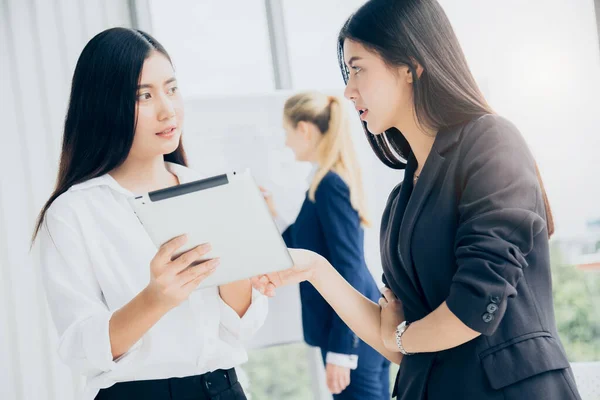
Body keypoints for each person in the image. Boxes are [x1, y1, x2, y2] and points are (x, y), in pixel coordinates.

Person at [252, 1, 582, 399]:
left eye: (357, 68)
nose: (347, 88)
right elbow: (394, 338)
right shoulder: (402, 198)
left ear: (410, 65)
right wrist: (315, 268)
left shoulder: (491, 141)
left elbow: (473, 308)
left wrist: (401, 338)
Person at [32, 27, 266, 400]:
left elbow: (239, 327)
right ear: (105, 105)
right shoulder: (73, 213)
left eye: (172, 89)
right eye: (144, 95)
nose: (167, 109)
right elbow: (80, 348)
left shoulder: (211, 190)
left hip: (225, 389)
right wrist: (156, 298)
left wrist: (241, 258)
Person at [262, 91, 390, 399]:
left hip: (352, 335)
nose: (287, 142)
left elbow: (350, 266)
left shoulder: (329, 184)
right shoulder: (322, 182)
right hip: (351, 331)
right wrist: (271, 215)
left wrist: (342, 351)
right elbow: (300, 245)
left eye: (287, 132)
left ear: (304, 129)